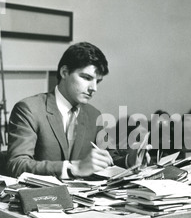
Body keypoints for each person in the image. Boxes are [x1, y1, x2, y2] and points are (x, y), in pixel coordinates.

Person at [7, 42, 150, 179]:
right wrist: (74, 168)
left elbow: (108, 158)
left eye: (97, 81)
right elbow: (17, 165)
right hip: (41, 199)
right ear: (64, 72)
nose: (94, 88)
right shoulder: (29, 109)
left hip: (84, 201)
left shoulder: (94, 115)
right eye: (87, 78)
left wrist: (129, 161)